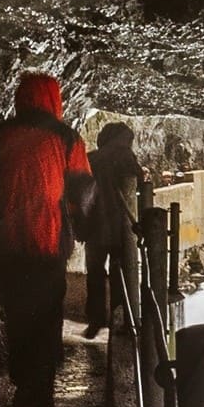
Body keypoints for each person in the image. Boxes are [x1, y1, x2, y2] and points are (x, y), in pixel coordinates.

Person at [0, 71, 94, 407]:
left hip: (5, 244)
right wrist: (84, 229)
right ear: (55, 100)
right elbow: (83, 190)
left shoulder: (0, 136)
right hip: (47, 242)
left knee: (17, 312)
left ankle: (23, 383)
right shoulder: (66, 139)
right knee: (47, 314)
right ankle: (41, 385)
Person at [83, 120, 143, 339]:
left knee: (95, 273)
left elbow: (80, 190)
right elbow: (139, 183)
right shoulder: (127, 157)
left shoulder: (91, 158)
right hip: (120, 230)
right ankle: (120, 319)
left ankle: (95, 320)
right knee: (121, 273)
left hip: (94, 227)